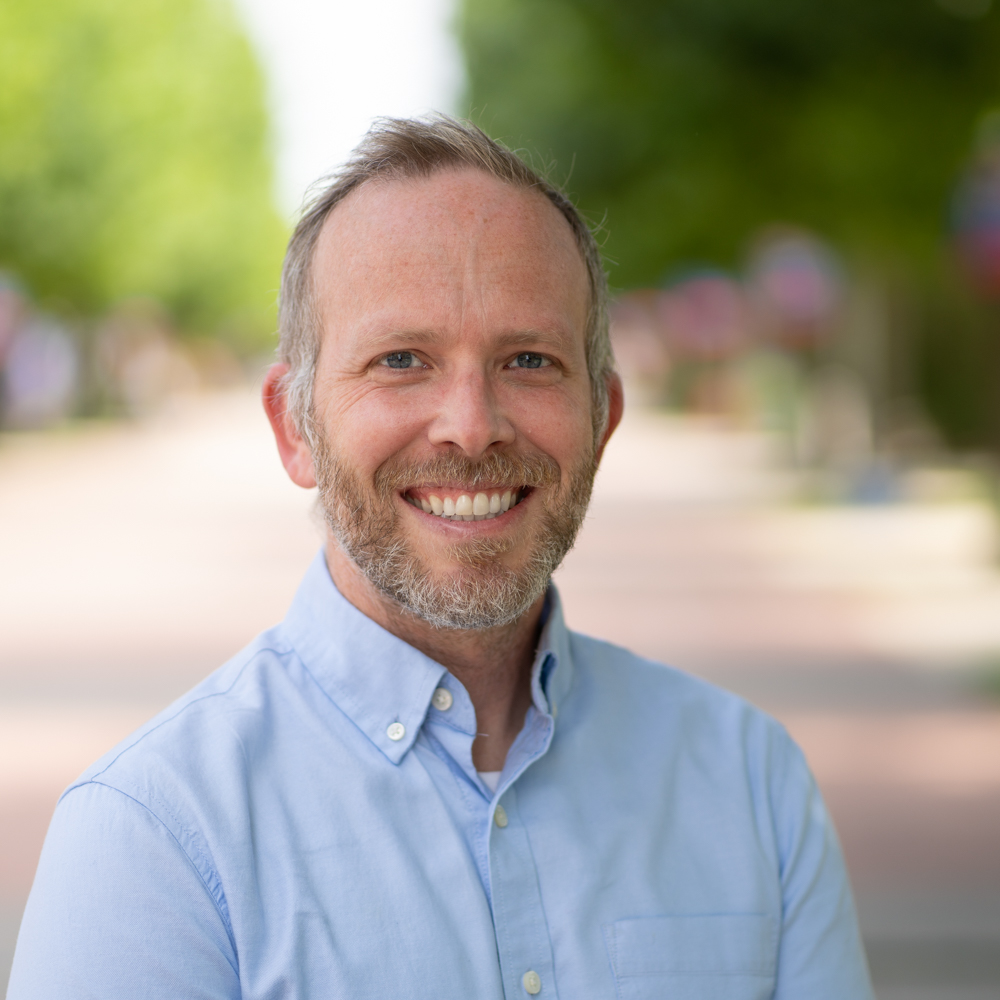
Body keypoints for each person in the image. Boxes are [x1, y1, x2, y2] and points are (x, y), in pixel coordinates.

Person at [8, 116, 873, 999]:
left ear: (603, 421)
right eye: (401, 360)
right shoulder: (153, 836)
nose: (471, 425)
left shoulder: (751, 782)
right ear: (294, 428)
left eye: (528, 359)